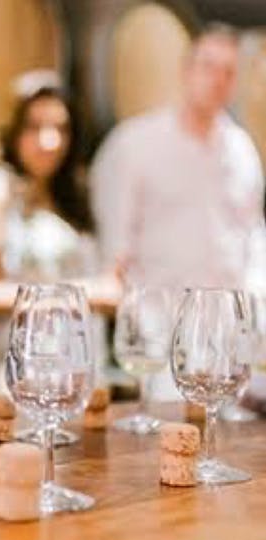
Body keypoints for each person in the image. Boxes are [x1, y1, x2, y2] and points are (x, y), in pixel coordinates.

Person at [90, 24, 266, 406]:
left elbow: (253, 237)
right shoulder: (134, 144)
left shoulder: (241, 149)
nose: (217, 80)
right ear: (186, 71)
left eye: (228, 71)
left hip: (227, 339)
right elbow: (114, 251)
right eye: (208, 66)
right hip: (160, 334)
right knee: (164, 442)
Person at [0, 73, 100, 403]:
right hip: (17, 370)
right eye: (35, 127)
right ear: (14, 129)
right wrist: (75, 298)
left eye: (60, 129)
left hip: (72, 367)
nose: (49, 141)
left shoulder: (72, 195)